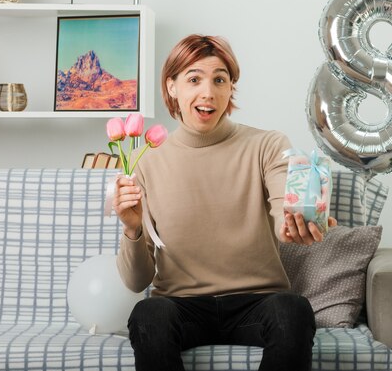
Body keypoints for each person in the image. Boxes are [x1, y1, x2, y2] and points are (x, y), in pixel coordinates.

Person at [113, 34, 336, 371]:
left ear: (231, 87)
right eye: (194, 79)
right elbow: (136, 281)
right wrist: (132, 229)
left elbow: (282, 214)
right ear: (172, 86)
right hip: (180, 307)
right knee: (147, 313)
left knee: (292, 309)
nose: (208, 93)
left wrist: (297, 223)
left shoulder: (267, 145)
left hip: (257, 304)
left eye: (220, 79)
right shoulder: (146, 162)